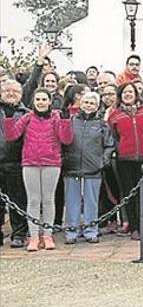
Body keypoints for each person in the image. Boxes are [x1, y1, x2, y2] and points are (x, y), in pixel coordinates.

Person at [4, 88, 73, 251]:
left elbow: (66, 139)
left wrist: (65, 121)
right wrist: (8, 117)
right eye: (38, 99)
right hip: (30, 163)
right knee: (33, 200)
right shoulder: (27, 117)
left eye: (44, 99)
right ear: (34, 102)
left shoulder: (56, 117)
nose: (41, 102)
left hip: (51, 163)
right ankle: (34, 236)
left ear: (49, 101)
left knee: (48, 199)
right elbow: (12, 135)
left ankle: (47, 235)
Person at [106, 82, 143, 241]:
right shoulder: (115, 115)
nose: (128, 95)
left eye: (130, 92)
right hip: (126, 160)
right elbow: (112, 135)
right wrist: (119, 147)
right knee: (129, 194)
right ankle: (134, 227)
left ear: (136, 93)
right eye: (124, 93)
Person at [61, 91, 115, 244]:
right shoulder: (71, 121)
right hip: (72, 167)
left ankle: (91, 230)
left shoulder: (101, 124)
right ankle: (72, 231)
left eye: (92, 103)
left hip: (93, 168)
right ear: (81, 104)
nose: (88, 106)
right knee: (72, 201)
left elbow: (109, 145)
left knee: (91, 201)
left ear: (97, 106)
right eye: (86, 102)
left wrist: (102, 161)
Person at [0, 80, 29, 247]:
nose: (10, 94)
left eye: (15, 91)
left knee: (18, 201)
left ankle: (19, 234)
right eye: (7, 90)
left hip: (17, 162)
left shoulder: (26, 114)